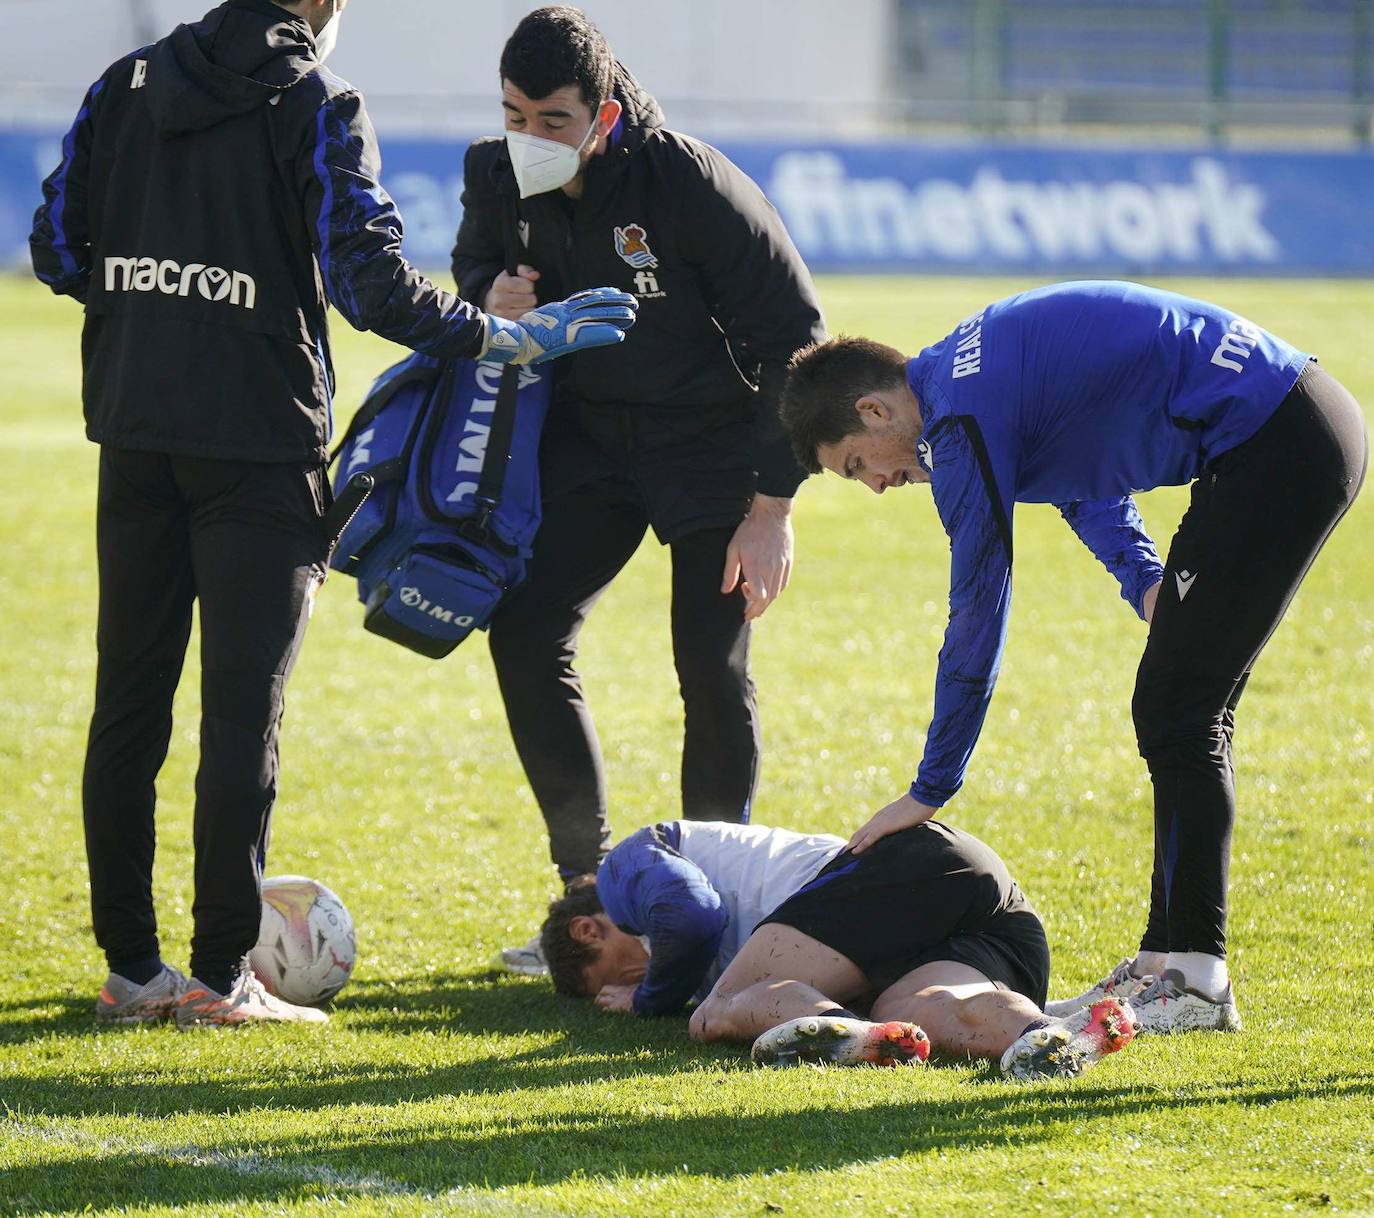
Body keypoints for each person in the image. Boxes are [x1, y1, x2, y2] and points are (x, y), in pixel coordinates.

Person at [30, 0, 635, 1028]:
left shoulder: (124, 86)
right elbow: (370, 285)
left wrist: (153, 313)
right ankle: (222, 975)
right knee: (239, 719)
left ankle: (132, 971)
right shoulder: (316, 99)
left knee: (127, 706)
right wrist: (501, 340)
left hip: (134, 435)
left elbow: (54, 245)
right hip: (258, 450)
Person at [778, 280, 1367, 1034]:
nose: (879, 486)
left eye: (858, 465)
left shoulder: (959, 419)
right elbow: (1084, 475)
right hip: (1282, 433)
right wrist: (1145, 580)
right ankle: (1165, 965)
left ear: (874, 411)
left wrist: (930, 789)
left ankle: (1194, 976)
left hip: (1278, 443)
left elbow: (979, 611)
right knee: (1175, 709)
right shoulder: (964, 382)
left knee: (1180, 713)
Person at [450, 7, 827, 972]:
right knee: (526, 629)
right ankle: (594, 896)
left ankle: (709, 913)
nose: (528, 138)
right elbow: (471, 268)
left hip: (712, 447)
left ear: (605, 115)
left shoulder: (686, 180)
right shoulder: (494, 171)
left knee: (710, 665)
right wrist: (490, 293)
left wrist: (772, 506)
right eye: (514, 114)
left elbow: (797, 335)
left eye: (552, 119)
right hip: (589, 441)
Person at [540, 820, 1138, 1080]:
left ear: (588, 931)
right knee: (926, 1009)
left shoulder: (627, 870)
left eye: (615, 974)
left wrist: (648, 999)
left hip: (912, 866)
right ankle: (1048, 1036)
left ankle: (836, 1029)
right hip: (981, 919)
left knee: (709, 1017)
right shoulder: (718, 958)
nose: (634, 976)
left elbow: (692, 917)